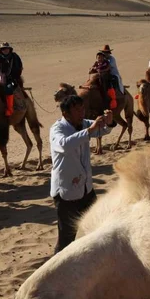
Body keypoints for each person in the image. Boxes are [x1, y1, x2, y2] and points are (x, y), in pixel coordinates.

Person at [50, 95, 114, 254]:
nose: (81, 112)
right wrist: (90, 130)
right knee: (66, 238)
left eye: (82, 108)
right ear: (66, 114)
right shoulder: (57, 129)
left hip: (86, 188)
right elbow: (64, 145)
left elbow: (101, 130)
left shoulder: (83, 123)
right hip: (67, 192)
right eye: (77, 110)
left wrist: (108, 121)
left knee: (97, 226)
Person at [0, 42, 23, 117]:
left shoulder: (14, 57)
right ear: (1, 50)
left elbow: (19, 67)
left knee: (9, 89)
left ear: (9, 49)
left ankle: (9, 110)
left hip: (12, 78)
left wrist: (14, 76)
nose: (5, 50)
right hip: (1, 77)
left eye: (6, 48)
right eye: (3, 49)